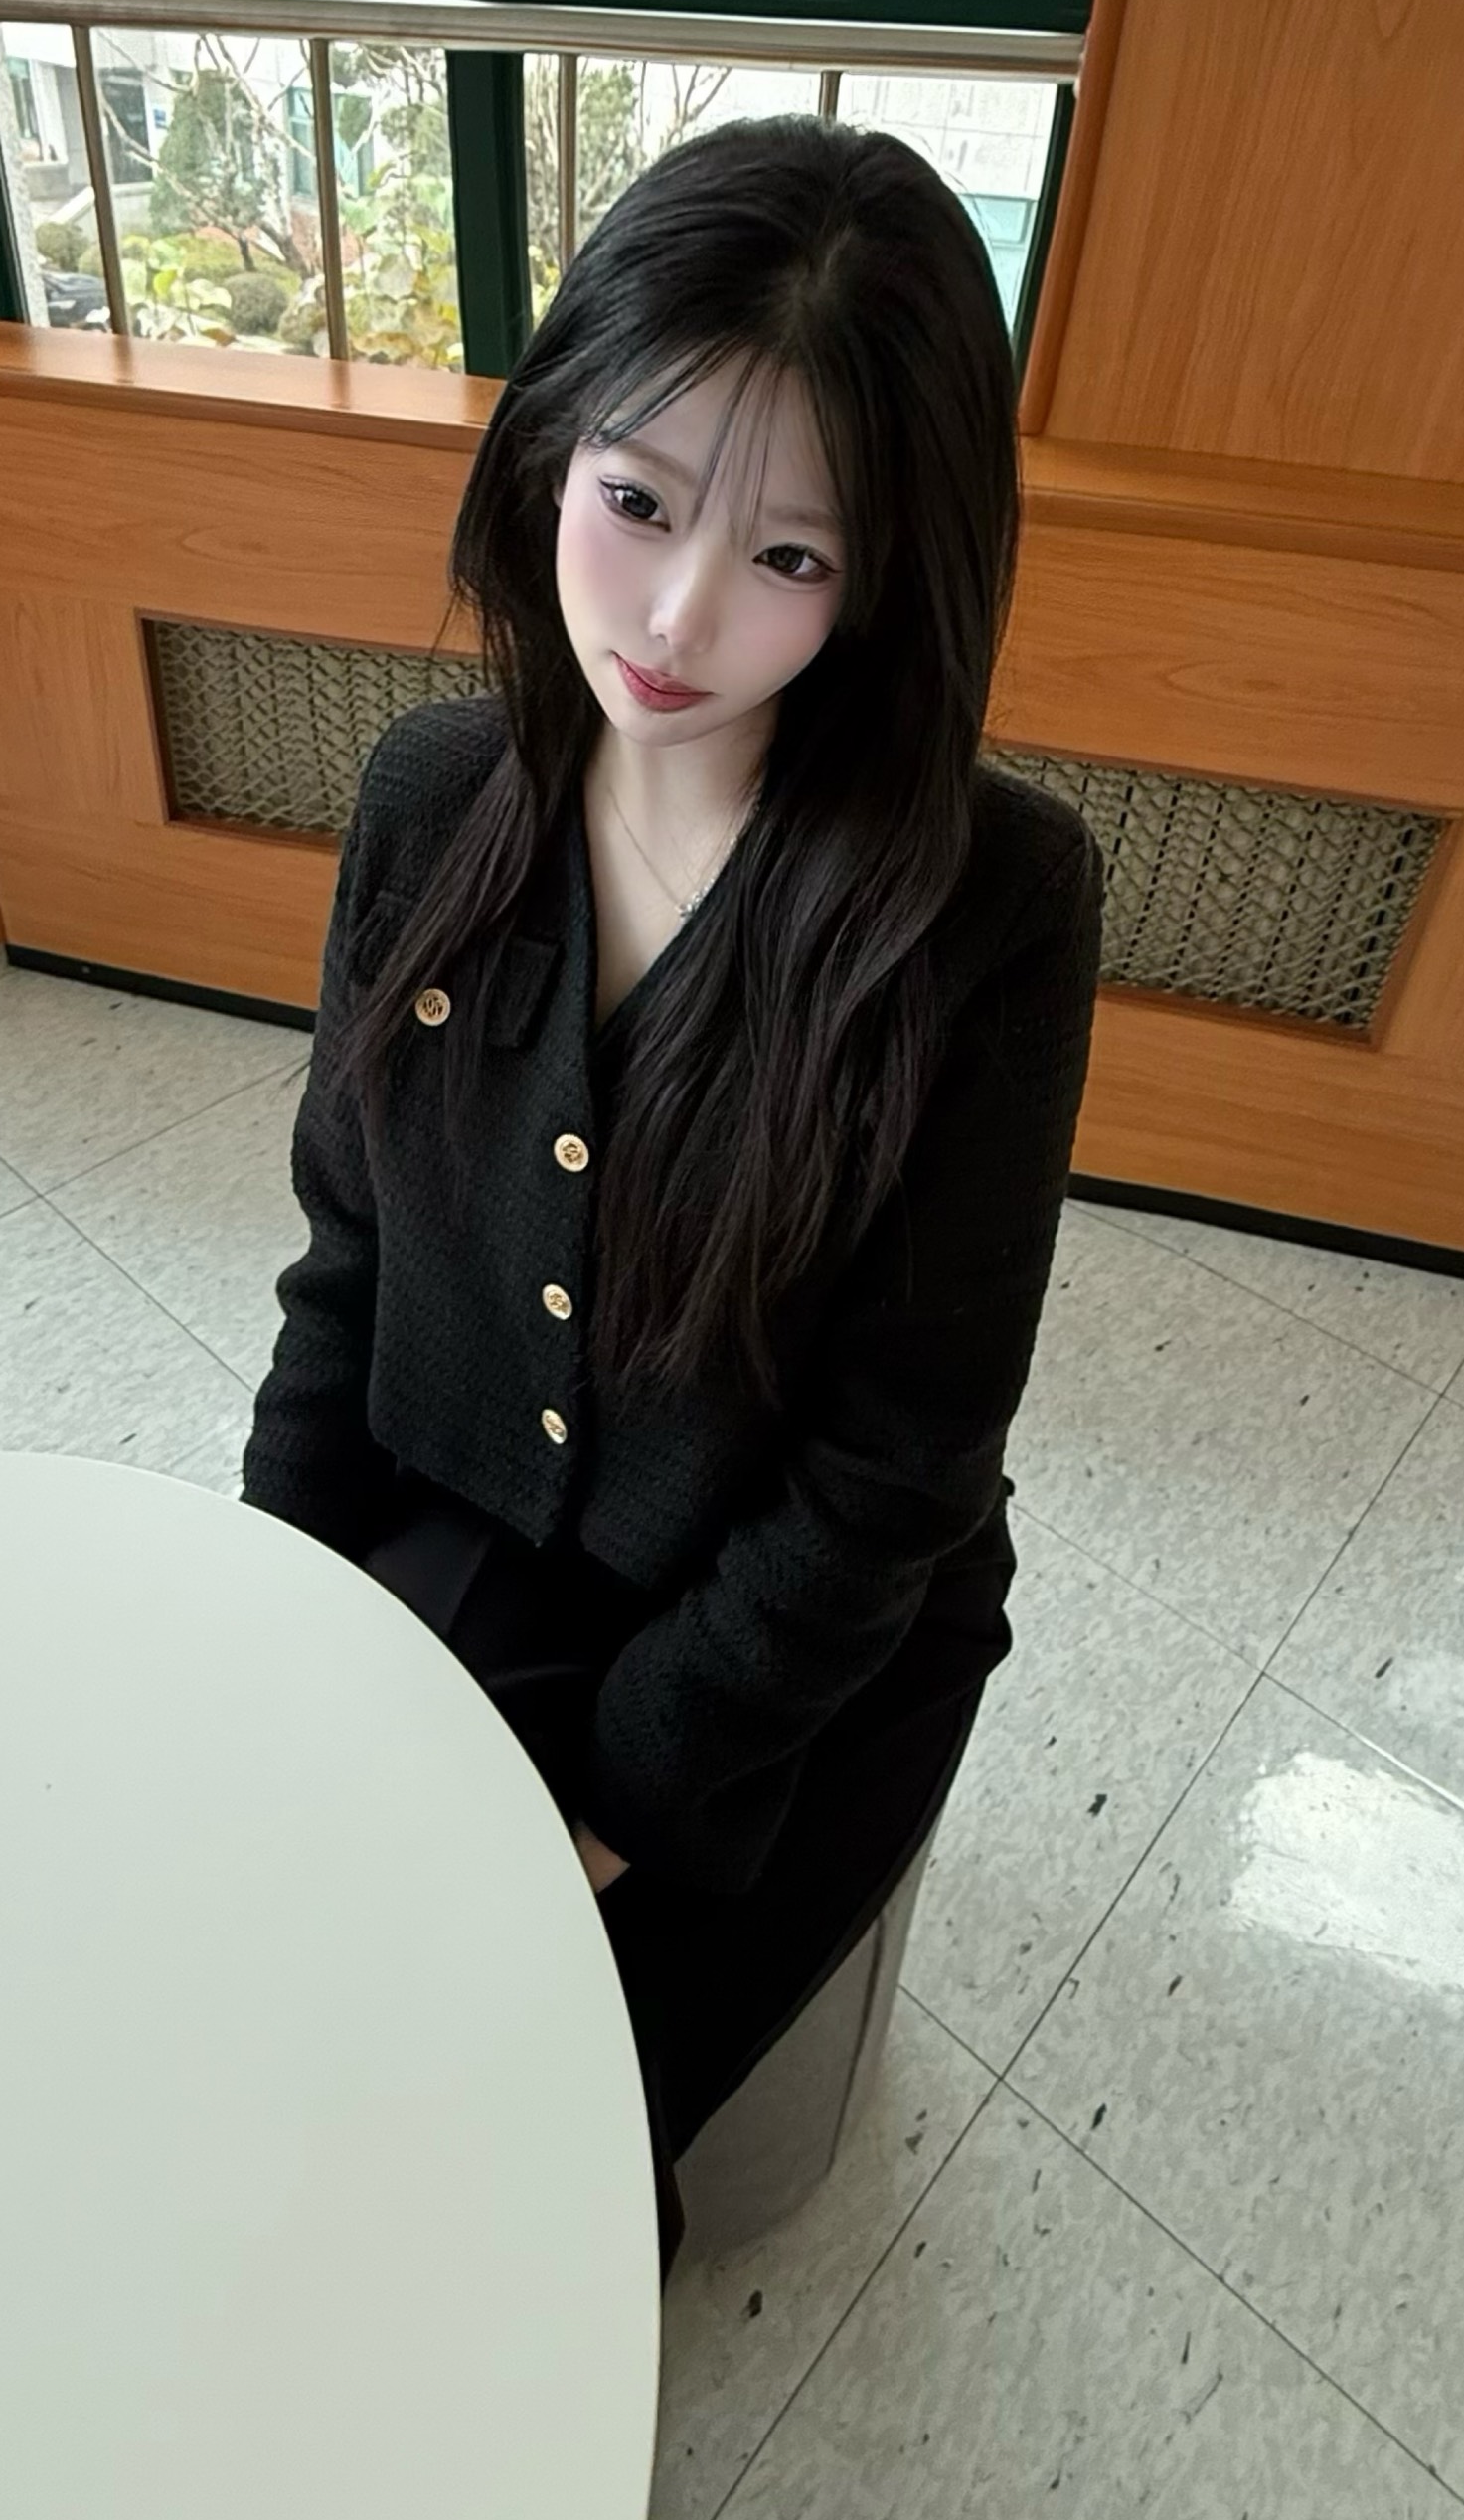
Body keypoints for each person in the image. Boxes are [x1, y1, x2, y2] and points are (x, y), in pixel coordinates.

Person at [241, 115, 1104, 2278]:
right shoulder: (431, 795)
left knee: (522, 2171)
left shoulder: (990, 908)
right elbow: (348, 1269)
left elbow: (896, 1475)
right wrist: (269, 1619)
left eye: (791, 556)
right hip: (465, 1520)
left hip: (789, 1647)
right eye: (635, 502)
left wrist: (614, 1802)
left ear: (887, 574)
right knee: (264, 2008)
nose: (682, 618)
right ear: (553, 446)